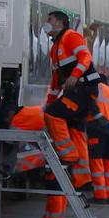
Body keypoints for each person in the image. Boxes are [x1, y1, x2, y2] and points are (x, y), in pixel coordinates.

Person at [41, 10, 98, 195]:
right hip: (79, 92)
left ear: (59, 23)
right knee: (77, 132)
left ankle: (68, 155)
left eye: (49, 20)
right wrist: (49, 101)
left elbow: (85, 56)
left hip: (83, 90)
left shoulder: (70, 36)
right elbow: (56, 79)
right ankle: (83, 180)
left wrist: (75, 76)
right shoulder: (54, 47)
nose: (46, 23)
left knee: (54, 114)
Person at [87, 73, 109, 204]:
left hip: (97, 128)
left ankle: (100, 194)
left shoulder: (97, 88)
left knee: (96, 160)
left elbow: (90, 106)